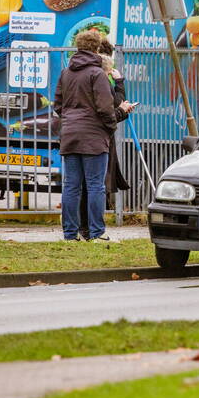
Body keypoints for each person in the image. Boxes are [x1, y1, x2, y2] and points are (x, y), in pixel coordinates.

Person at [54, 29, 119, 241]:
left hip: (70, 134)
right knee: (95, 186)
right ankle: (97, 232)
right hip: (93, 136)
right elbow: (104, 107)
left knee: (71, 186)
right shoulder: (97, 73)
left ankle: (70, 234)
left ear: (78, 46)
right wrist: (110, 127)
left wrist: (71, 120)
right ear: (96, 48)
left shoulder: (66, 72)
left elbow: (58, 105)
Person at [78, 40, 135, 238]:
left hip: (79, 135)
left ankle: (79, 229)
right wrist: (119, 84)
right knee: (95, 185)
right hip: (99, 137)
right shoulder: (101, 78)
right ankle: (94, 230)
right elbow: (113, 108)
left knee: (81, 185)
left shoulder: (75, 75)